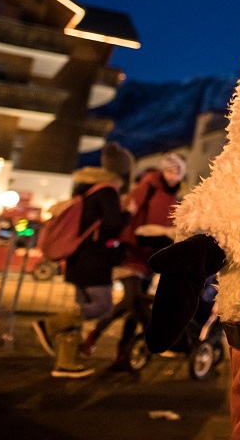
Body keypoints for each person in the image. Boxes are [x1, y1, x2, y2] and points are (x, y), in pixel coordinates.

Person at [33, 142, 130, 377]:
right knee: (103, 306)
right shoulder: (107, 190)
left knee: (79, 310)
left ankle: (66, 363)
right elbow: (112, 225)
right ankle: (49, 325)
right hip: (95, 259)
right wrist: (128, 213)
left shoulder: (85, 188)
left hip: (77, 257)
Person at [81, 152, 185, 369]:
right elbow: (127, 214)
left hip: (151, 256)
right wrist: (128, 238)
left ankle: (123, 354)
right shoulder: (148, 186)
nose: (173, 175)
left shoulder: (174, 197)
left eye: (177, 172)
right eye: (170, 170)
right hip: (131, 252)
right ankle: (93, 335)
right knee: (131, 301)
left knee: (136, 308)